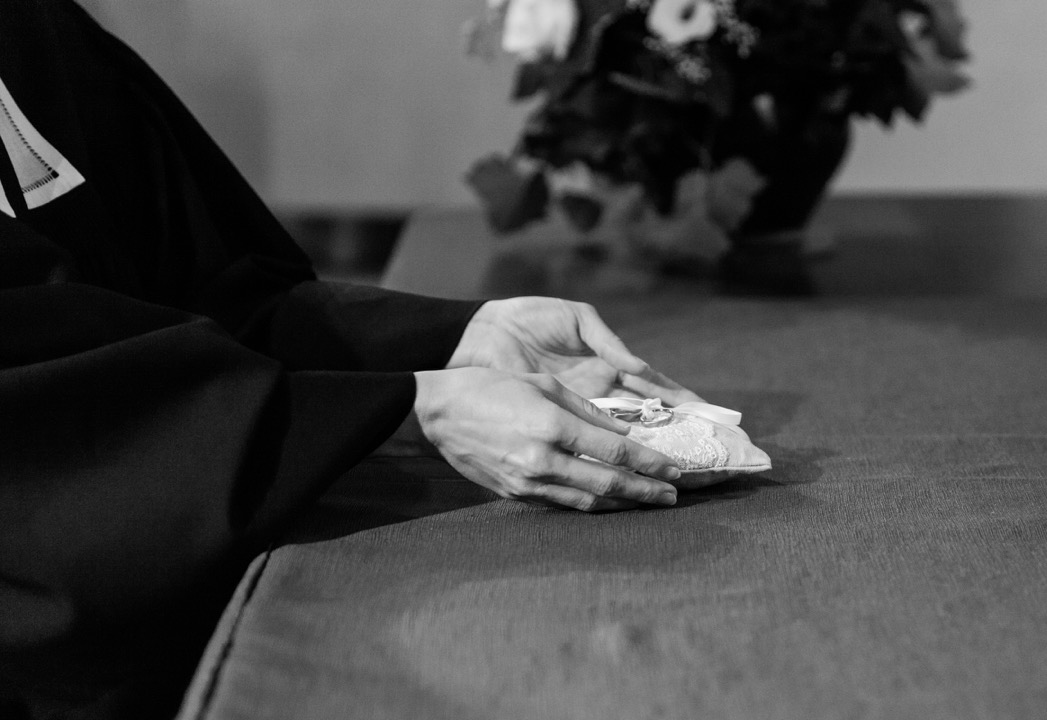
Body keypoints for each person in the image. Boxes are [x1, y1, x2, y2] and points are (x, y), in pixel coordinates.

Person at [0, 1, 700, 717]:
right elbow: (51, 427)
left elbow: (213, 289)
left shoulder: (34, 26)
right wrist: (411, 407)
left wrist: (458, 336)